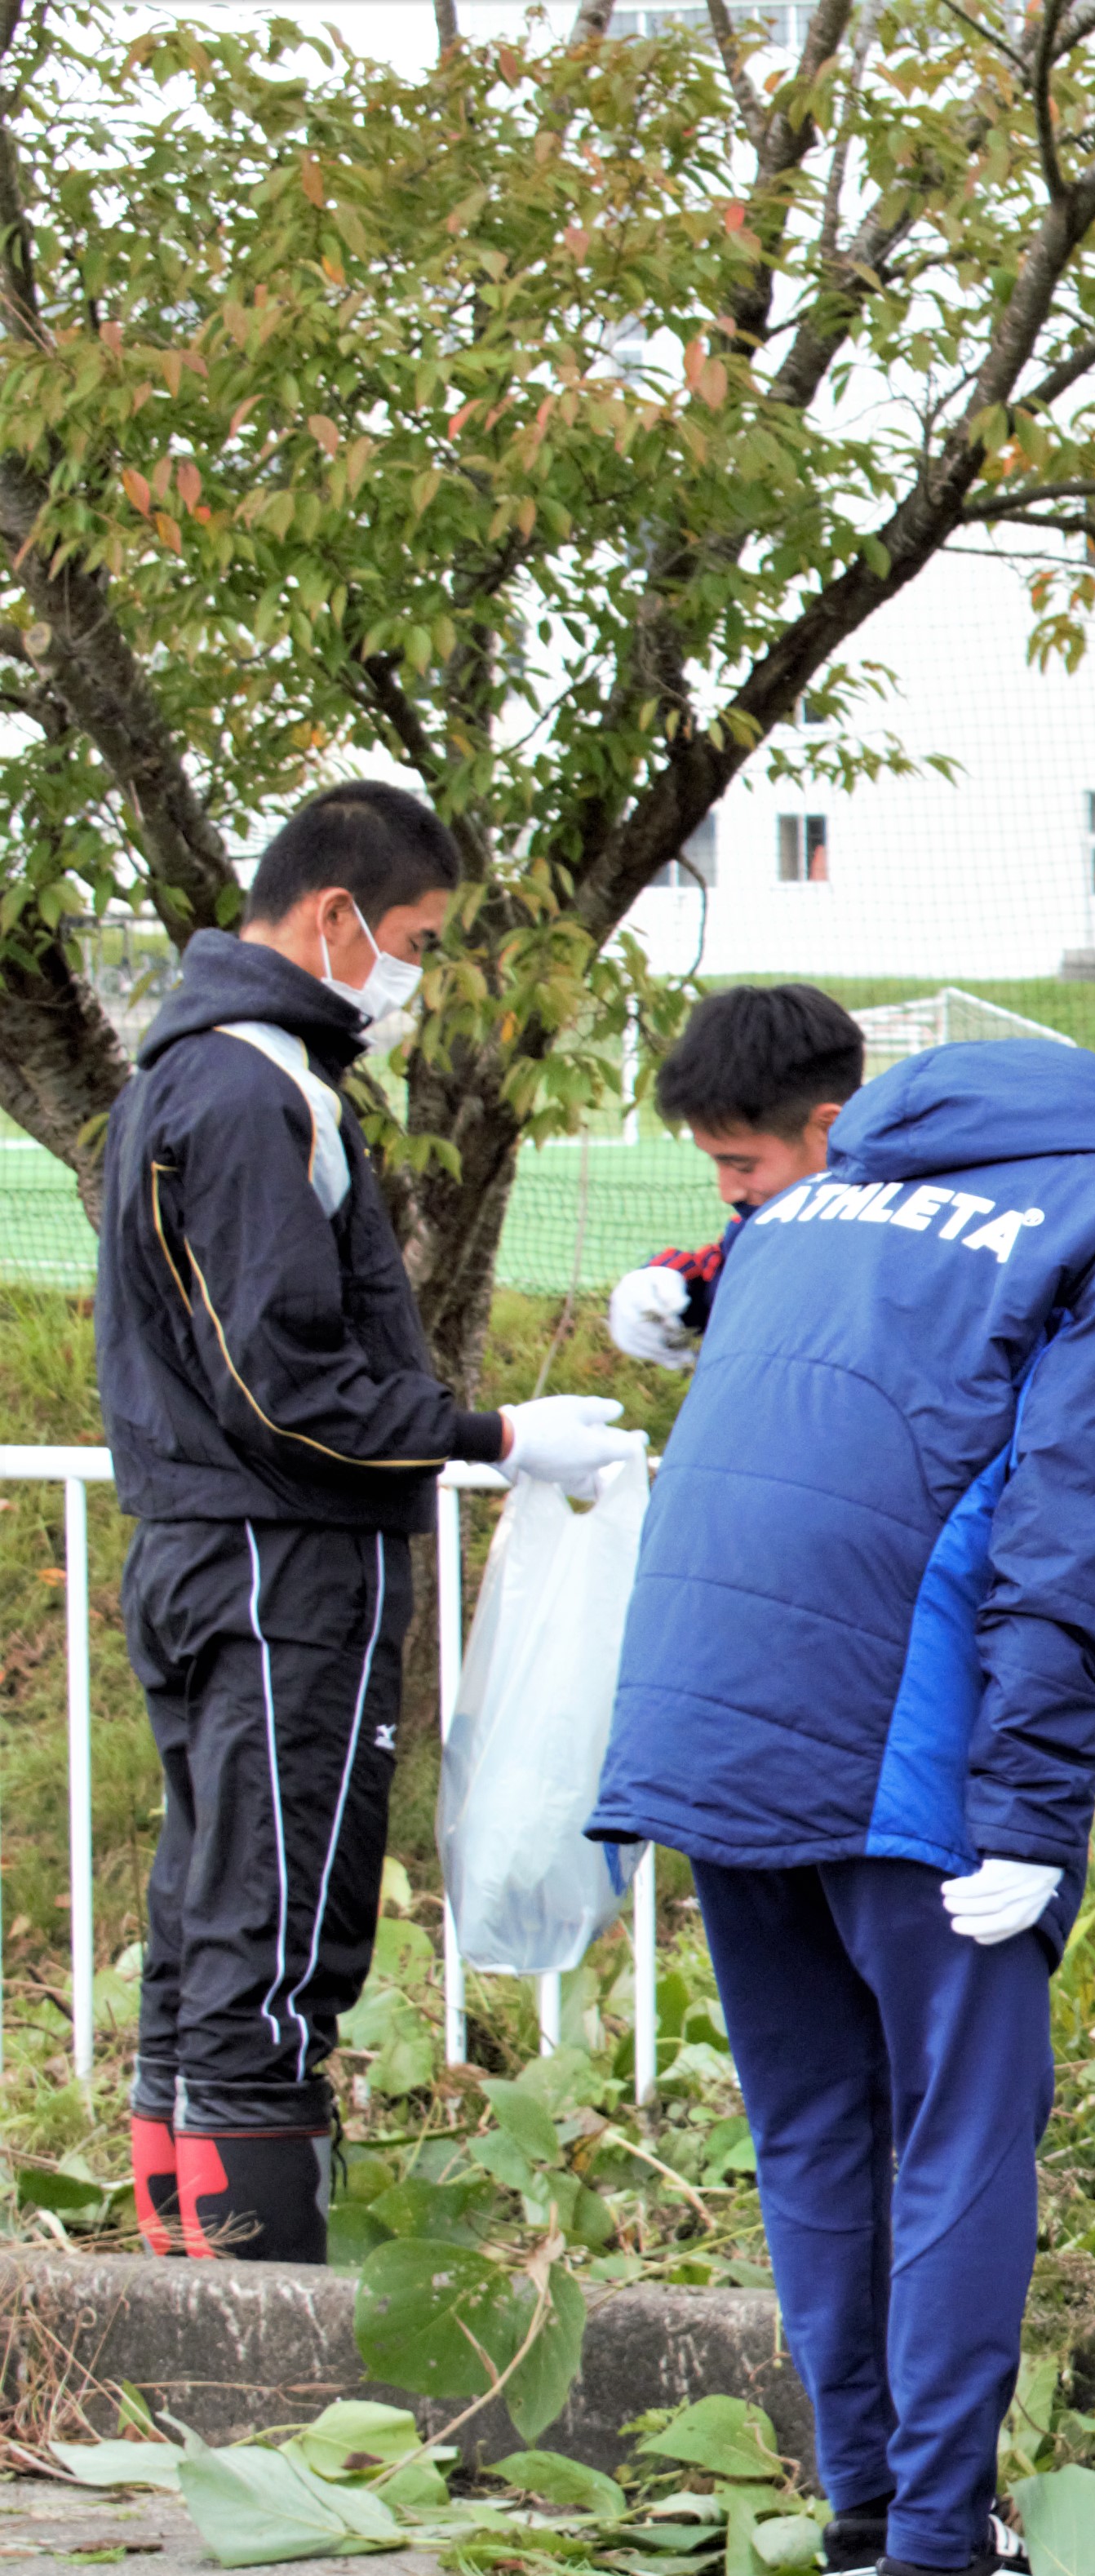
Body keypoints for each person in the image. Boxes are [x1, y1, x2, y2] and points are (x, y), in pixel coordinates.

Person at [594, 1025, 1095, 2576]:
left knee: (818, 2117)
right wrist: (1022, 1801)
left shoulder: (835, 1193)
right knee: (961, 2118)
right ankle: (943, 2550)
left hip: (713, 1702)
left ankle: (866, 2506)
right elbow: (1082, 1529)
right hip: (907, 1728)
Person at [95, 780, 638, 2264]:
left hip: (216, 1550)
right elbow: (284, 1382)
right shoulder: (251, 1090)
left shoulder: (195, 1076)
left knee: (218, 1909)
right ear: (336, 919)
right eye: (409, 940)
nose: (406, 976)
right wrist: (494, 1436)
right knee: (280, 1919)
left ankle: (188, 2269)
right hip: (277, 1559)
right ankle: (259, 2301)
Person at [605, 984, 865, 1368]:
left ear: (829, 1127)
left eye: (743, 1165)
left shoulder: (923, 1240)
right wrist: (672, 1292)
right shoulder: (776, 1218)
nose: (727, 1191)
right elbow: (728, 1267)